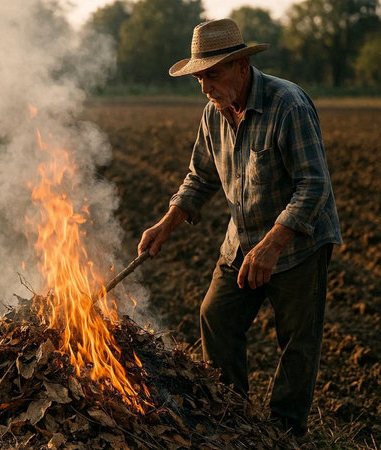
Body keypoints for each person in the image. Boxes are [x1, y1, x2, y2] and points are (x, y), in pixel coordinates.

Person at [138, 18, 342, 437]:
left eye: (213, 74)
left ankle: (286, 431)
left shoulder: (288, 105)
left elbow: (314, 184)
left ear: (241, 67)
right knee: (216, 316)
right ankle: (233, 415)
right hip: (242, 241)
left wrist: (272, 246)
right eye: (199, 78)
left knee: (297, 342)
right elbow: (200, 176)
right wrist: (166, 223)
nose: (206, 87)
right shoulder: (213, 114)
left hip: (299, 243)